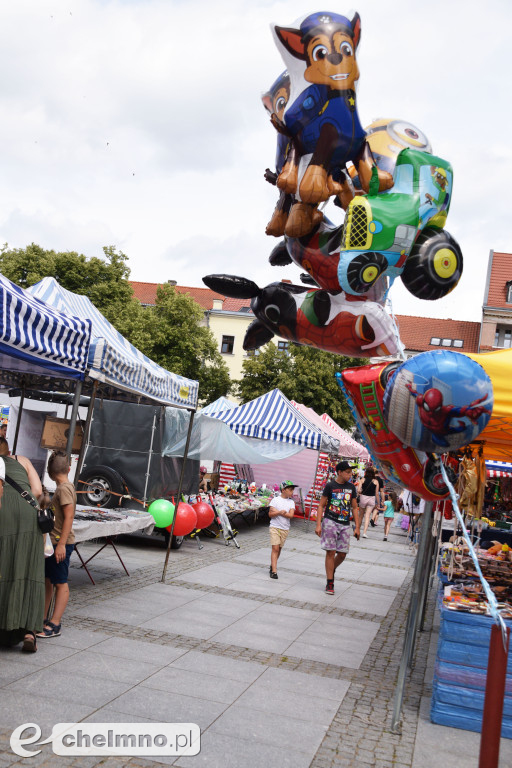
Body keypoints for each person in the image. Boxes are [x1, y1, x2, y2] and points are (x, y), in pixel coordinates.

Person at [0, 437, 45, 653]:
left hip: (4, 513)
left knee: (4, 567)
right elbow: (37, 491)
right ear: (9, 451)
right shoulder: (22, 460)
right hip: (28, 514)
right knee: (28, 568)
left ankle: (5, 627)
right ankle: (29, 632)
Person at [38, 451, 76, 639]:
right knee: (48, 580)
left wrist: (61, 544)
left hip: (61, 543)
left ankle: (55, 622)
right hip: (53, 543)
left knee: (60, 582)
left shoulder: (64, 489)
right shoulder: (63, 487)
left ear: (50, 473)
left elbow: (69, 516)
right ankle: (43, 617)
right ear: (68, 469)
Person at [316, 461, 360, 595]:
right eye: (347, 472)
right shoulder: (330, 486)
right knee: (330, 552)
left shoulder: (351, 487)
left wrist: (357, 527)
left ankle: (331, 569)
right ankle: (330, 583)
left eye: (351, 472)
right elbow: (321, 505)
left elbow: (354, 507)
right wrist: (318, 524)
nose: (350, 474)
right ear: (339, 472)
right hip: (330, 521)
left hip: (345, 524)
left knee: (342, 554)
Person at [268, 480, 296, 579]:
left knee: (279, 549)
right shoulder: (275, 500)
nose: (292, 492)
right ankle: (274, 571)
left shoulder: (291, 502)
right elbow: (270, 514)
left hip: (285, 528)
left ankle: (273, 565)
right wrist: (280, 512)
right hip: (275, 527)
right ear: (283, 490)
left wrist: (280, 512)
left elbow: (291, 515)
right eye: (290, 490)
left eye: (293, 490)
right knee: (275, 548)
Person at [358, 466, 380, 538]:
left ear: (366, 472)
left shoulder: (362, 480)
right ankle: (364, 532)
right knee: (367, 516)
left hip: (363, 498)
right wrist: (378, 503)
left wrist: (361, 491)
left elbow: (358, 491)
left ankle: (358, 530)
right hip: (371, 499)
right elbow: (377, 493)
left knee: (361, 515)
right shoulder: (376, 481)